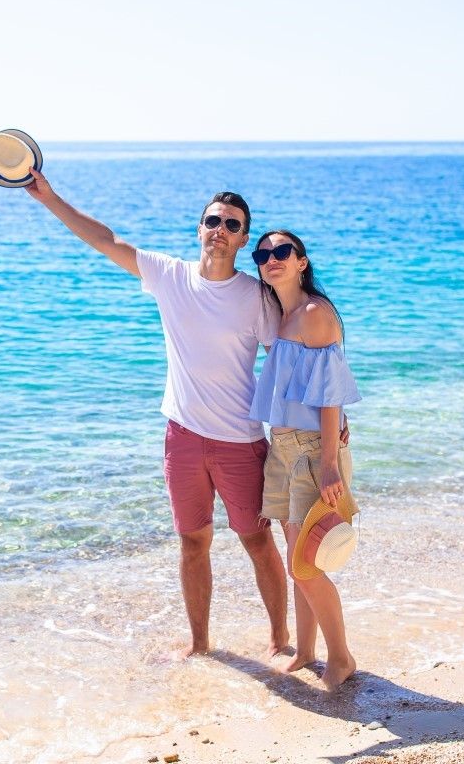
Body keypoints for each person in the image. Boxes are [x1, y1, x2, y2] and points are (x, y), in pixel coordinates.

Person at [24, 167, 290, 658]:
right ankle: (201, 646)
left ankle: (280, 640)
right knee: (193, 543)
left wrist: (319, 427)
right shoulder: (170, 276)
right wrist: (48, 198)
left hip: (240, 441)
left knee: (256, 542)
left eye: (232, 225)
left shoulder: (256, 297)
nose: (221, 231)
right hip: (182, 438)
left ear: (243, 239)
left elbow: (288, 361)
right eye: (214, 220)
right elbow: (106, 240)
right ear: (199, 228)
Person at [249, 228, 361, 690]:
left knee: (306, 563)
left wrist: (332, 462)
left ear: (301, 261)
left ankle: (341, 657)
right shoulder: (282, 313)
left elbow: (330, 395)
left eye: (282, 252)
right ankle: (307, 651)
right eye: (262, 254)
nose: (271, 259)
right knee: (298, 556)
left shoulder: (314, 314)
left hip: (315, 451)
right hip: (284, 448)